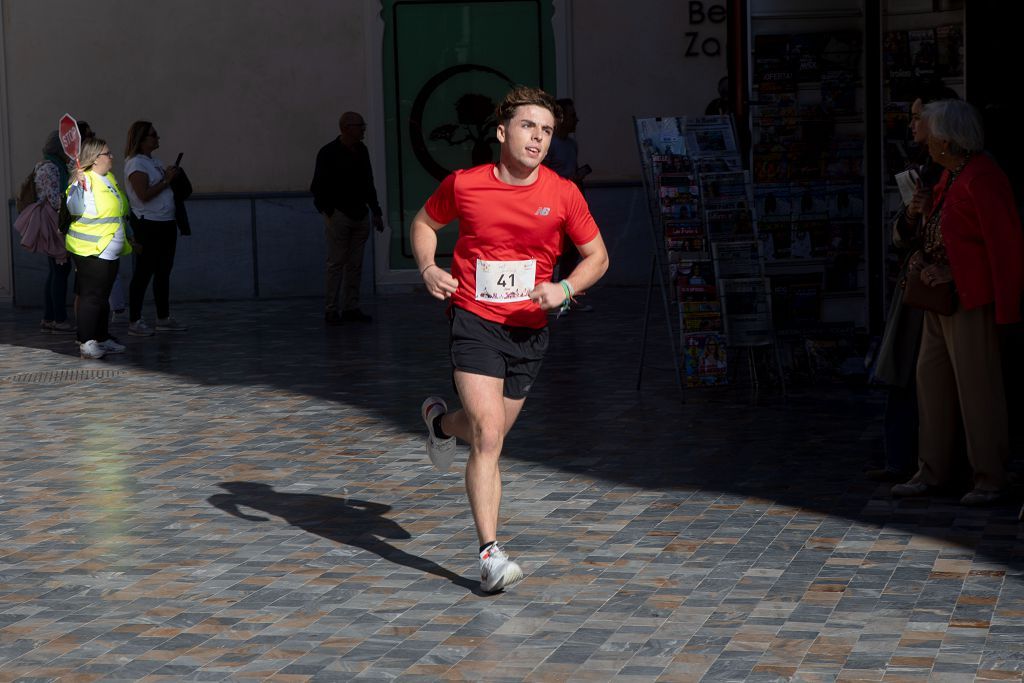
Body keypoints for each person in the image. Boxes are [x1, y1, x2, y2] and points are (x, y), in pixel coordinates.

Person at [410, 86, 609, 593]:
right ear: (502, 131)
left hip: (529, 332)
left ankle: (438, 424)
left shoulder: (563, 193)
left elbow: (598, 258)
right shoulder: (465, 184)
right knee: (491, 435)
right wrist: (429, 267)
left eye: (546, 130)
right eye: (528, 126)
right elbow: (425, 223)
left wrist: (564, 287)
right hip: (474, 319)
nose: (538, 138)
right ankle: (490, 555)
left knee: (483, 433)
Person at [891, 99, 1024, 506]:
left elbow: (1004, 247)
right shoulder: (951, 177)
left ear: (947, 138)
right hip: (941, 297)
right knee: (931, 382)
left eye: (928, 130)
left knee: (977, 388)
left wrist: (964, 278)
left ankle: (989, 476)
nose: (923, 137)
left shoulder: (981, 178)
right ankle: (932, 471)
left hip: (968, 297)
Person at [869, 83, 957, 483]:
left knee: (930, 377)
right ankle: (902, 458)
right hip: (916, 285)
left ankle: (930, 462)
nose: (912, 125)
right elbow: (905, 232)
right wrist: (910, 216)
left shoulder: (958, 173)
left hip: (939, 289)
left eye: (918, 116)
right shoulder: (925, 171)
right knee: (904, 373)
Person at [310, 111, 385, 325]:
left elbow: (368, 182)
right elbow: (318, 186)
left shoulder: (362, 151)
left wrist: (376, 211)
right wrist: (329, 211)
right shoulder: (328, 153)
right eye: (359, 125)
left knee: (355, 264)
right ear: (345, 128)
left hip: (360, 214)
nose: (363, 129)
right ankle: (331, 309)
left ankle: (351, 307)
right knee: (336, 263)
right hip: (340, 215)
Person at [65, 138, 130, 360]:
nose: (112, 157)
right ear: (94, 160)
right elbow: (74, 208)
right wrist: (78, 186)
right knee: (91, 296)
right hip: (91, 249)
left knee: (103, 296)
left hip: (109, 248)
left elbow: (118, 211)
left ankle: (101, 338)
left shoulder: (108, 178)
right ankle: (86, 342)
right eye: (107, 154)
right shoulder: (84, 181)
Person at [121, 121, 187, 337]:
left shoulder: (154, 161)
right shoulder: (136, 164)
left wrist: (171, 177)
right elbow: (144, 194)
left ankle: (163, 317)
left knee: (163, 271)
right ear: (141, 139)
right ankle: (135, 320)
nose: (157, 138)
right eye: (153, 135)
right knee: (143, 272)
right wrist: (166, 181)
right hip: (148, 224)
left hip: (166, 222)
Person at [543, 97, 593, 312]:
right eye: (573, 116)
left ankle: (565, 298)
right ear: (560, 118)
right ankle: (547, 297)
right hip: (553, 206)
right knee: (554, 252)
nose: (578, 120)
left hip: (574, 204)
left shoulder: (572, 144)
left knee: (572, 252)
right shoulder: (549, 144)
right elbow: (542, 175)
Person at [32, 131, 76, 334]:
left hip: (53, 221)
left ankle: (49, 317)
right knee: (60, 270)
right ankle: (58, 318)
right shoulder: (50, 167)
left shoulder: (49, 165)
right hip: (55, 223)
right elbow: (55, 199)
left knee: (55, 270)